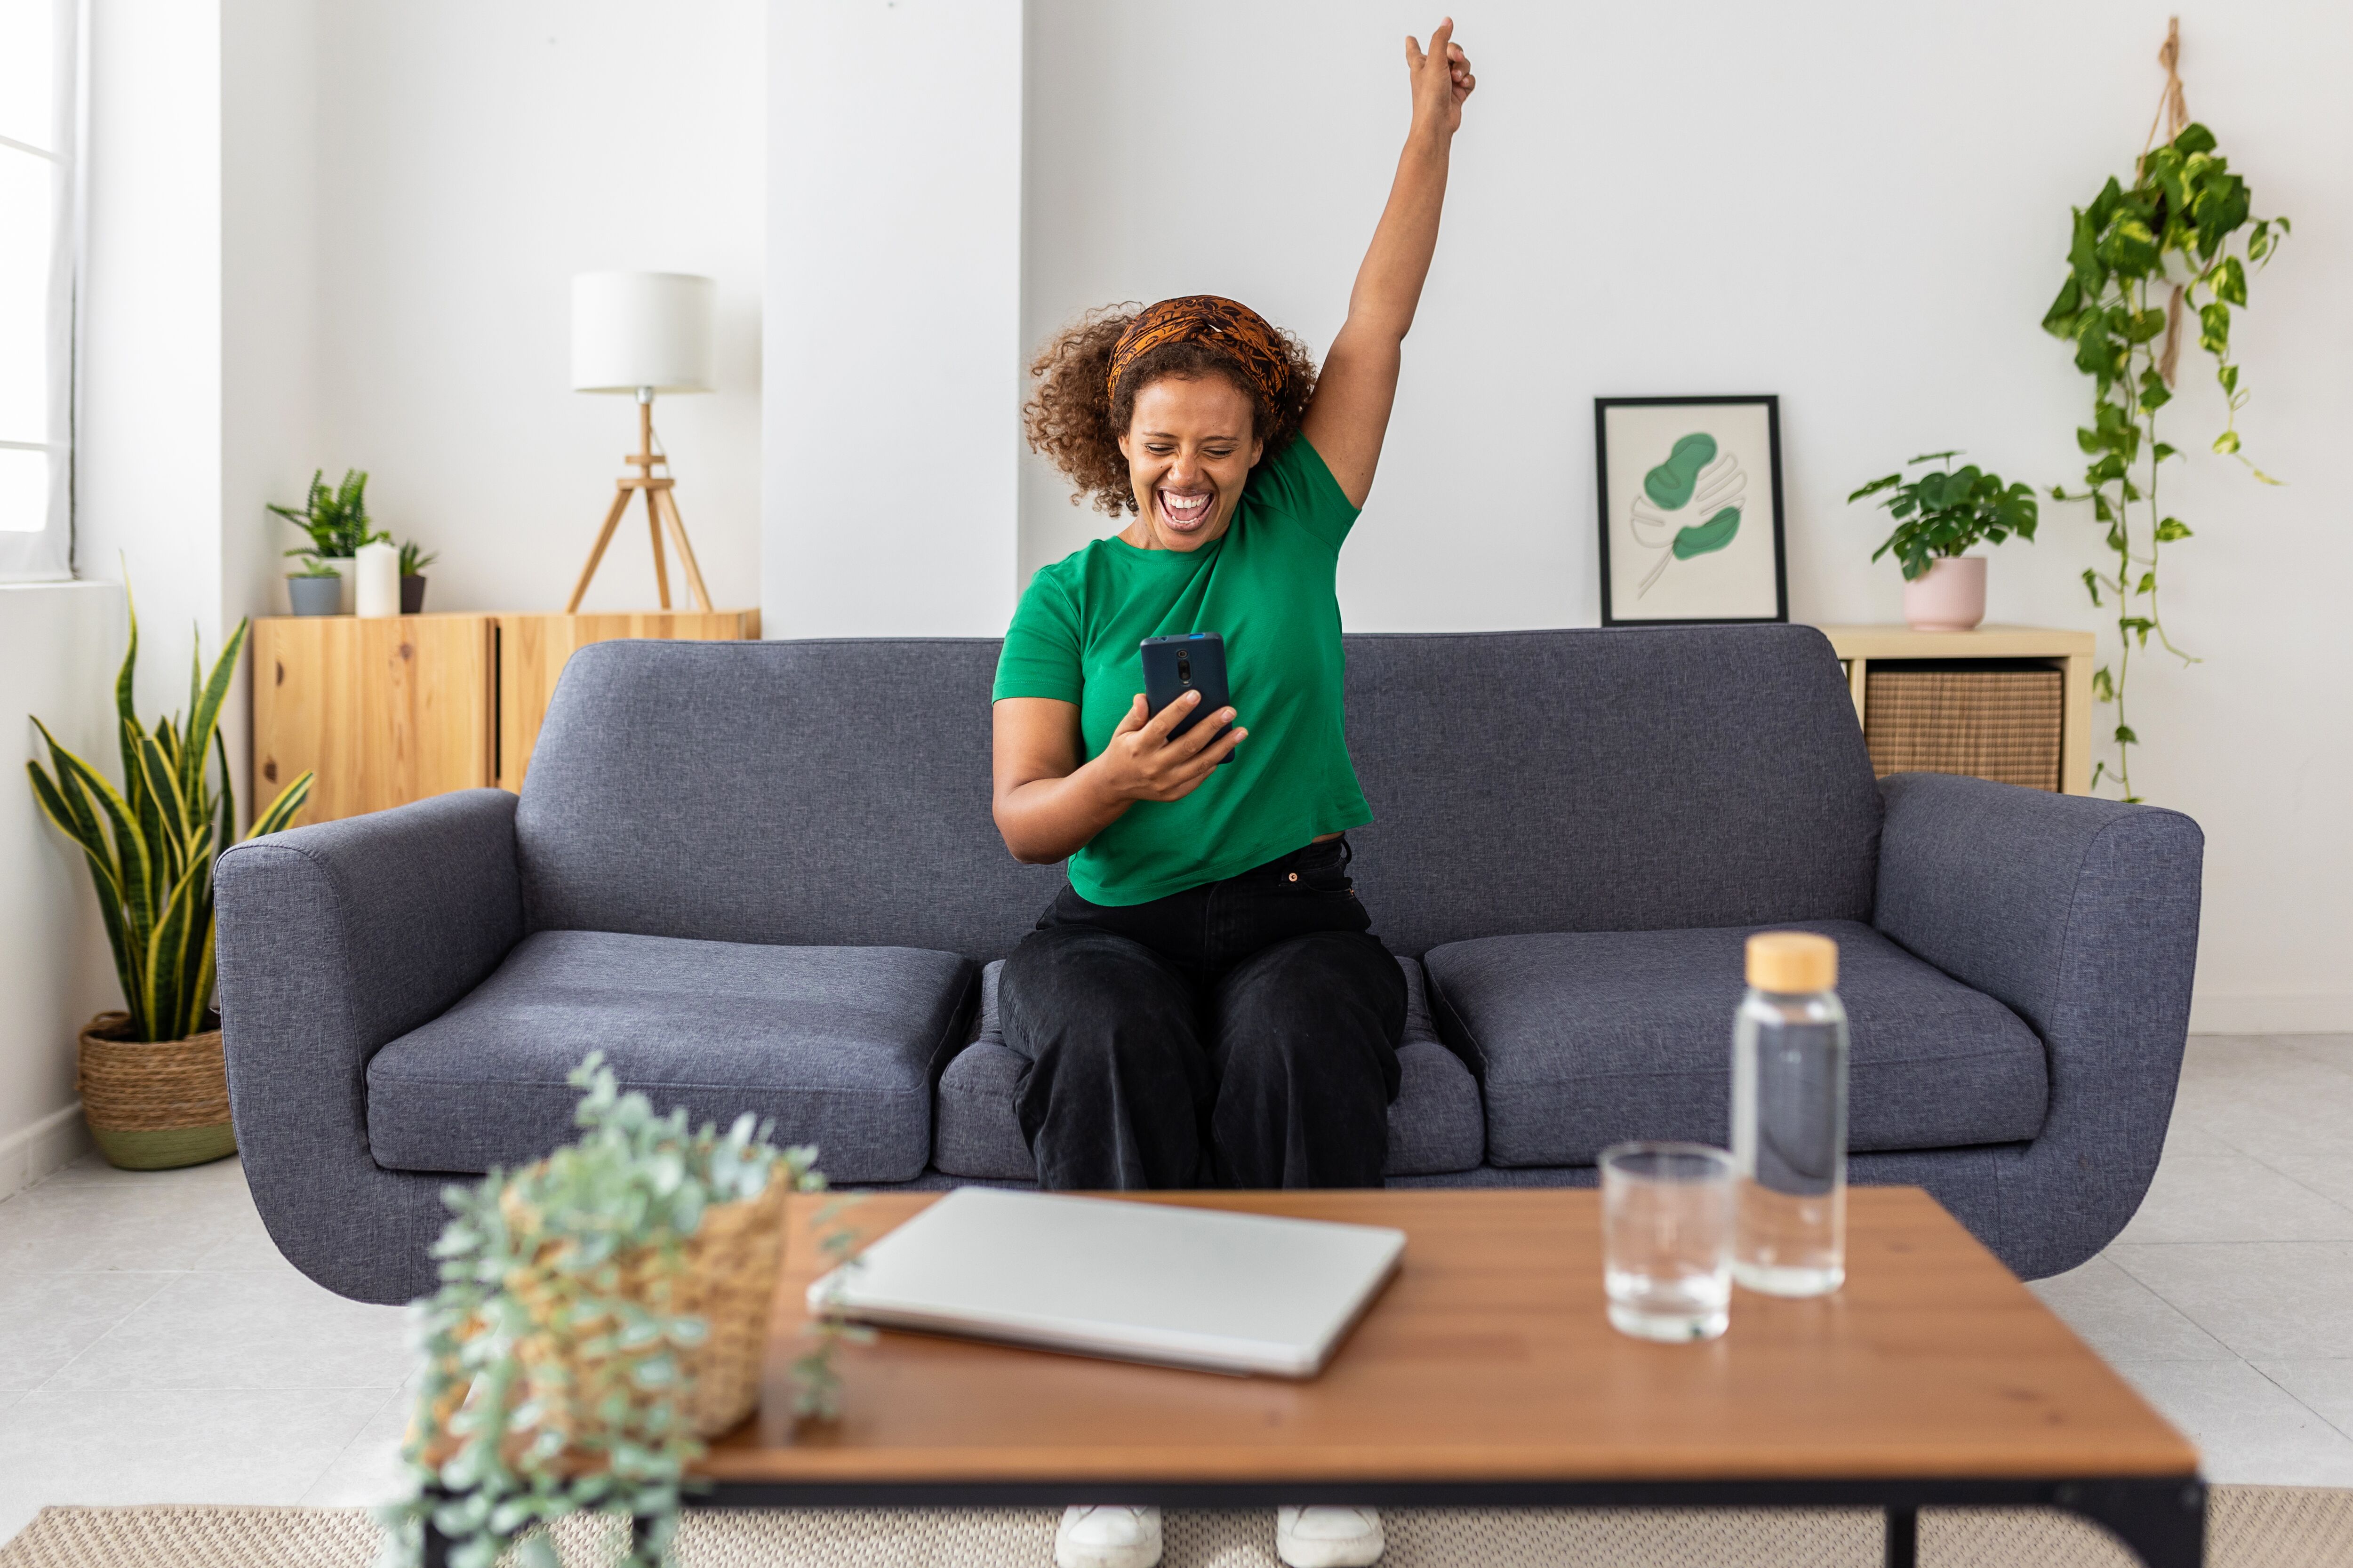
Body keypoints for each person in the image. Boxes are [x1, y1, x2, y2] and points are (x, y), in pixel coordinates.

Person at [989, 20, 1475, 1568]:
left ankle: (1309, 1439)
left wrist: (1430, 138)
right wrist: (1112, 775)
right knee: (1101, 1031)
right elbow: (1020, 819)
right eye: (1160, 448)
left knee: (1292, 1033)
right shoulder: (1064, 599)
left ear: (1263, 444)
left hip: (1292, 912)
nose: (1187, 473)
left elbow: (1379, 323)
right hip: (1108, 917)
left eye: (1216, 445)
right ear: (1114, 446)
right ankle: (1119, 1442)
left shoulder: (1295, 527)